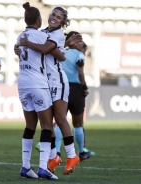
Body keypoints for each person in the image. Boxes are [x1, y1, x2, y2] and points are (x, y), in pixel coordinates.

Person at [17, 6, 80, 175]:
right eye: (53, 14)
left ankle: (72, 156)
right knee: (48, 122)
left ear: (62, 22)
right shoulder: (44, 32)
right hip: (44, 82)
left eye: (59, 17)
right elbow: (54, 50)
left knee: (59, 118)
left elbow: (48, 50)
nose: (54, 18)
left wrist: (25, 43)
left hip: (57, 81)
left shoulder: (57, 33)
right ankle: (53, 156)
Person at [17, 2, 63, 180]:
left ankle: (25, 167)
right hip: (38, 83)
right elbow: (56, 53)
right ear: (38, 20)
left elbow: (20, 51)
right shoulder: (41, 36)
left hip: (22, 83)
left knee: (29, 126)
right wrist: (63, 48)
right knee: (46, 125)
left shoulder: (20, 36)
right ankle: (43, 167)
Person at [56, 32, 92, 161]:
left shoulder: (61, 52)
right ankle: (82, 152)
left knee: (61, 120)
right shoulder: (79, 55)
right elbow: (81, 73)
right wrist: (84, 87)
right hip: (76, 90)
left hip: (61, 88)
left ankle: (56, 152)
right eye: (79, 41)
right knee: (78, 123)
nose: (81, 43)